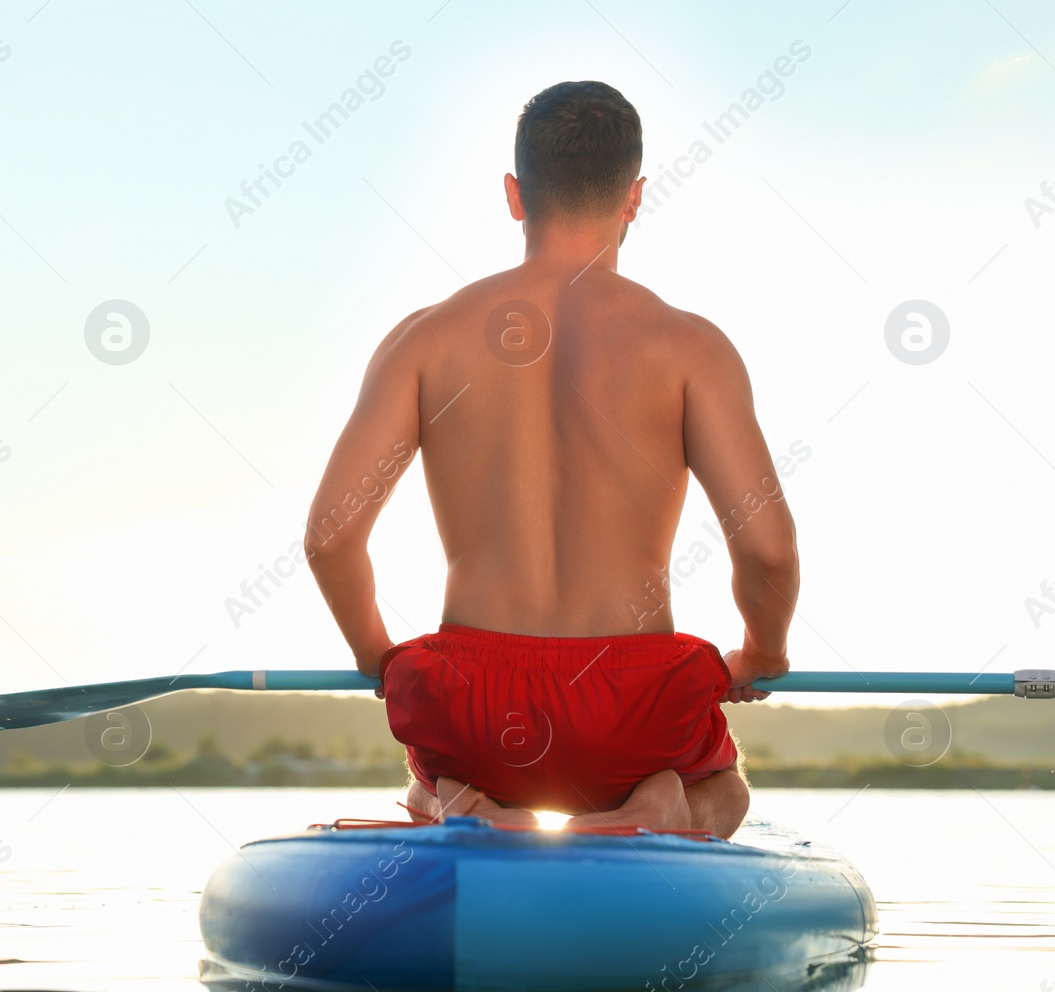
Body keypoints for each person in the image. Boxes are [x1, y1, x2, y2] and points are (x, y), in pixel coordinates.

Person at [303, 81, 798, 838]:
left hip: (471, 701)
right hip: (630, 701)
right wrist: (760, 652)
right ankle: (655, 811)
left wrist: (382, 660)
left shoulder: (426, 339)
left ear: (514, 195)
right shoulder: (690, 347)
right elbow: (767, 550)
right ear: (634, 197)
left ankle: (461, 804)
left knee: (429, 773)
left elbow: (330, 536)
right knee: (726, 795)